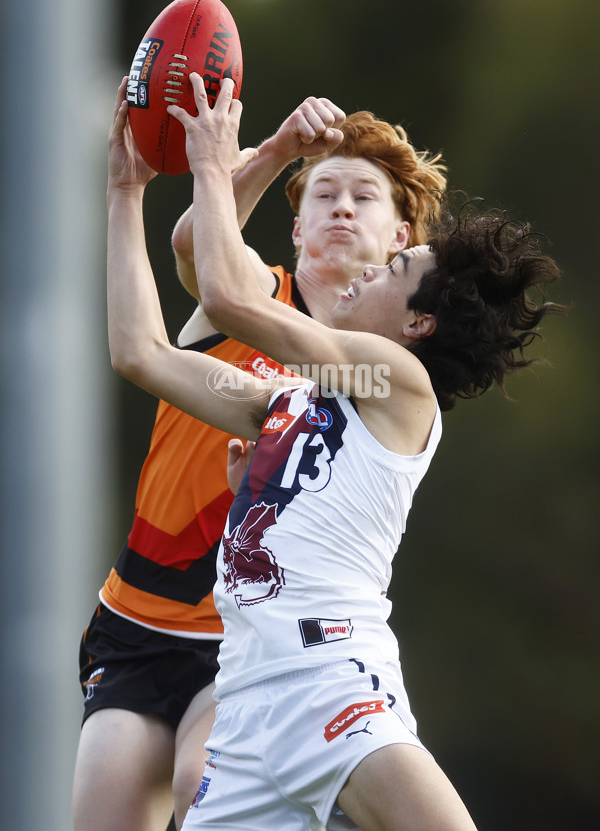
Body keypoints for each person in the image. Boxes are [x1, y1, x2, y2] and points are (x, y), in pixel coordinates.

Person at [106, 73, 563, 831]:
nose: (378, 267)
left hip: (330, 682)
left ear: (417, 326)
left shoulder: (394, 381)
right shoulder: (292, 400)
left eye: (396, 269)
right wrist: (124, 195)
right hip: (247, 716)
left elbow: (227, 300)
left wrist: (216, 164)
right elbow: (139, 353)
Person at [73, 77, 447, 831]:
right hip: (143, 612)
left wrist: (219, 160)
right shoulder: (256, 294)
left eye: (363, 197)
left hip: (254, 639)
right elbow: (192, 263)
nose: (341, 206)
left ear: (403, 241)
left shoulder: (381, 378)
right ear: (296, 229)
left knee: (195, 778)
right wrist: (271, 152)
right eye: (322, 194)